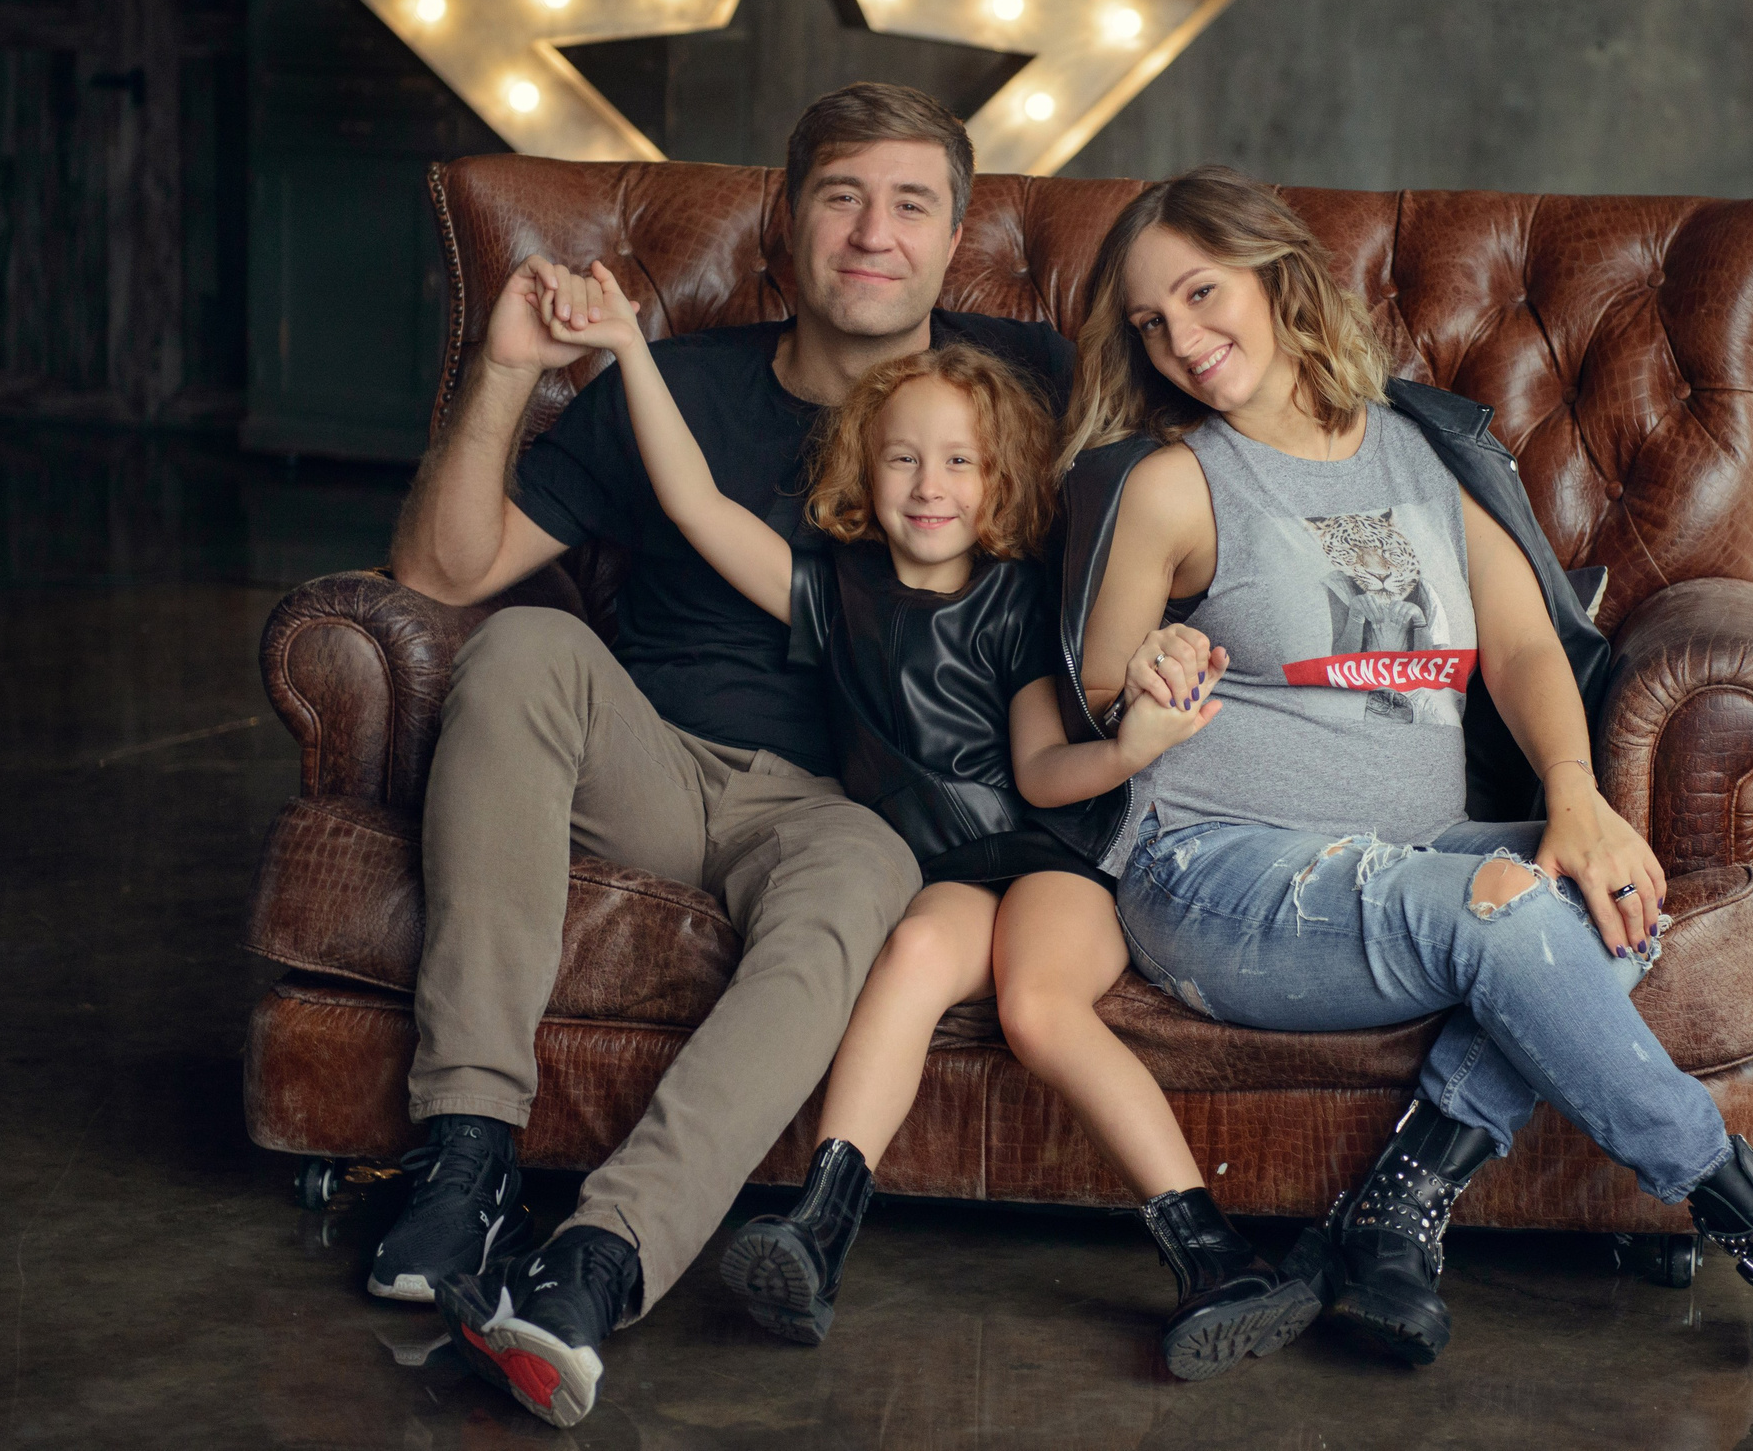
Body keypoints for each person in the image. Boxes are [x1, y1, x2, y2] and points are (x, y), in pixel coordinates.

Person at [1057, 165, 1753, 1400]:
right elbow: (1098, 683)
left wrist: (1576, 800)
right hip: (1217, 873)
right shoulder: (1174, 481)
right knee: (1513, 904)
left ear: (1276, 275)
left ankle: (1395, 1201)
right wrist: (1148, 663)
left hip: (1422, 846)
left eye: (1202, 294)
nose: (1183, 338)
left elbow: (1524, 647)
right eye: (1151, 322)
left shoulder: (1423, 451)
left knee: (1618, 879)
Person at [373, 84, 1067, 1430]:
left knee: (859, 893)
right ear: (784, 224)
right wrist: (510, 368)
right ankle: (465, 1155)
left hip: (839, 810)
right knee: (515, 650)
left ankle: (600, 1260)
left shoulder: (1023, 382)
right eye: (841, 197)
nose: (875, 232)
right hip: (648, 758)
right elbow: (438, 572)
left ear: (957, 236)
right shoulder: (684, 383)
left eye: (911, 202)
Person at [506, 284, 1316, 1381]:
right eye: (902, 461)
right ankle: (820, 1228)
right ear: (859, 472)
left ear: (1000, 482)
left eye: (959, 463)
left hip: (1045, 852)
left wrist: (1131, 750)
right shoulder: (831, 596)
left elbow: (1040, 770)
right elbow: (695, 502)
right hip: (936, 870)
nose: (929, 487)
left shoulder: (1017, 601)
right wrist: (621, 347)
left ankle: (1214, 1254)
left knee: (1035, 1001)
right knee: (910, 953)